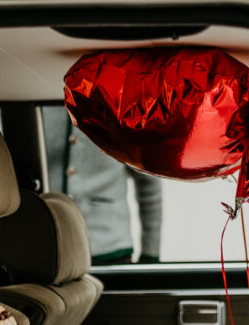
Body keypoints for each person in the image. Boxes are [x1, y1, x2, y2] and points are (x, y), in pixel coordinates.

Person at [43, 108, 162, 264]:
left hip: (111, 250)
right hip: (47, 249)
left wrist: (150, 256)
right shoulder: (35, 99)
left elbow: (149, 185)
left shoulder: (122, 108)